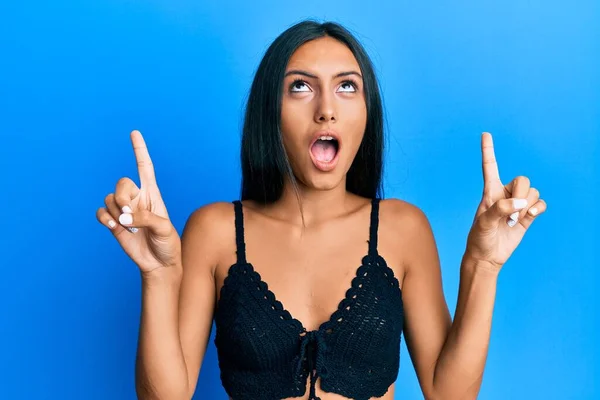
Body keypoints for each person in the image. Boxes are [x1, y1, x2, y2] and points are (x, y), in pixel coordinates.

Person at [96, 20, 547, 400]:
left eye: (347, 87)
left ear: (367, 113)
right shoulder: (213, 231)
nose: (326, 110)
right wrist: (157, 276)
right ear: (269, 112)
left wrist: (482, 265)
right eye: (300, 88)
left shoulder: (403, 229)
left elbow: (449, 393)